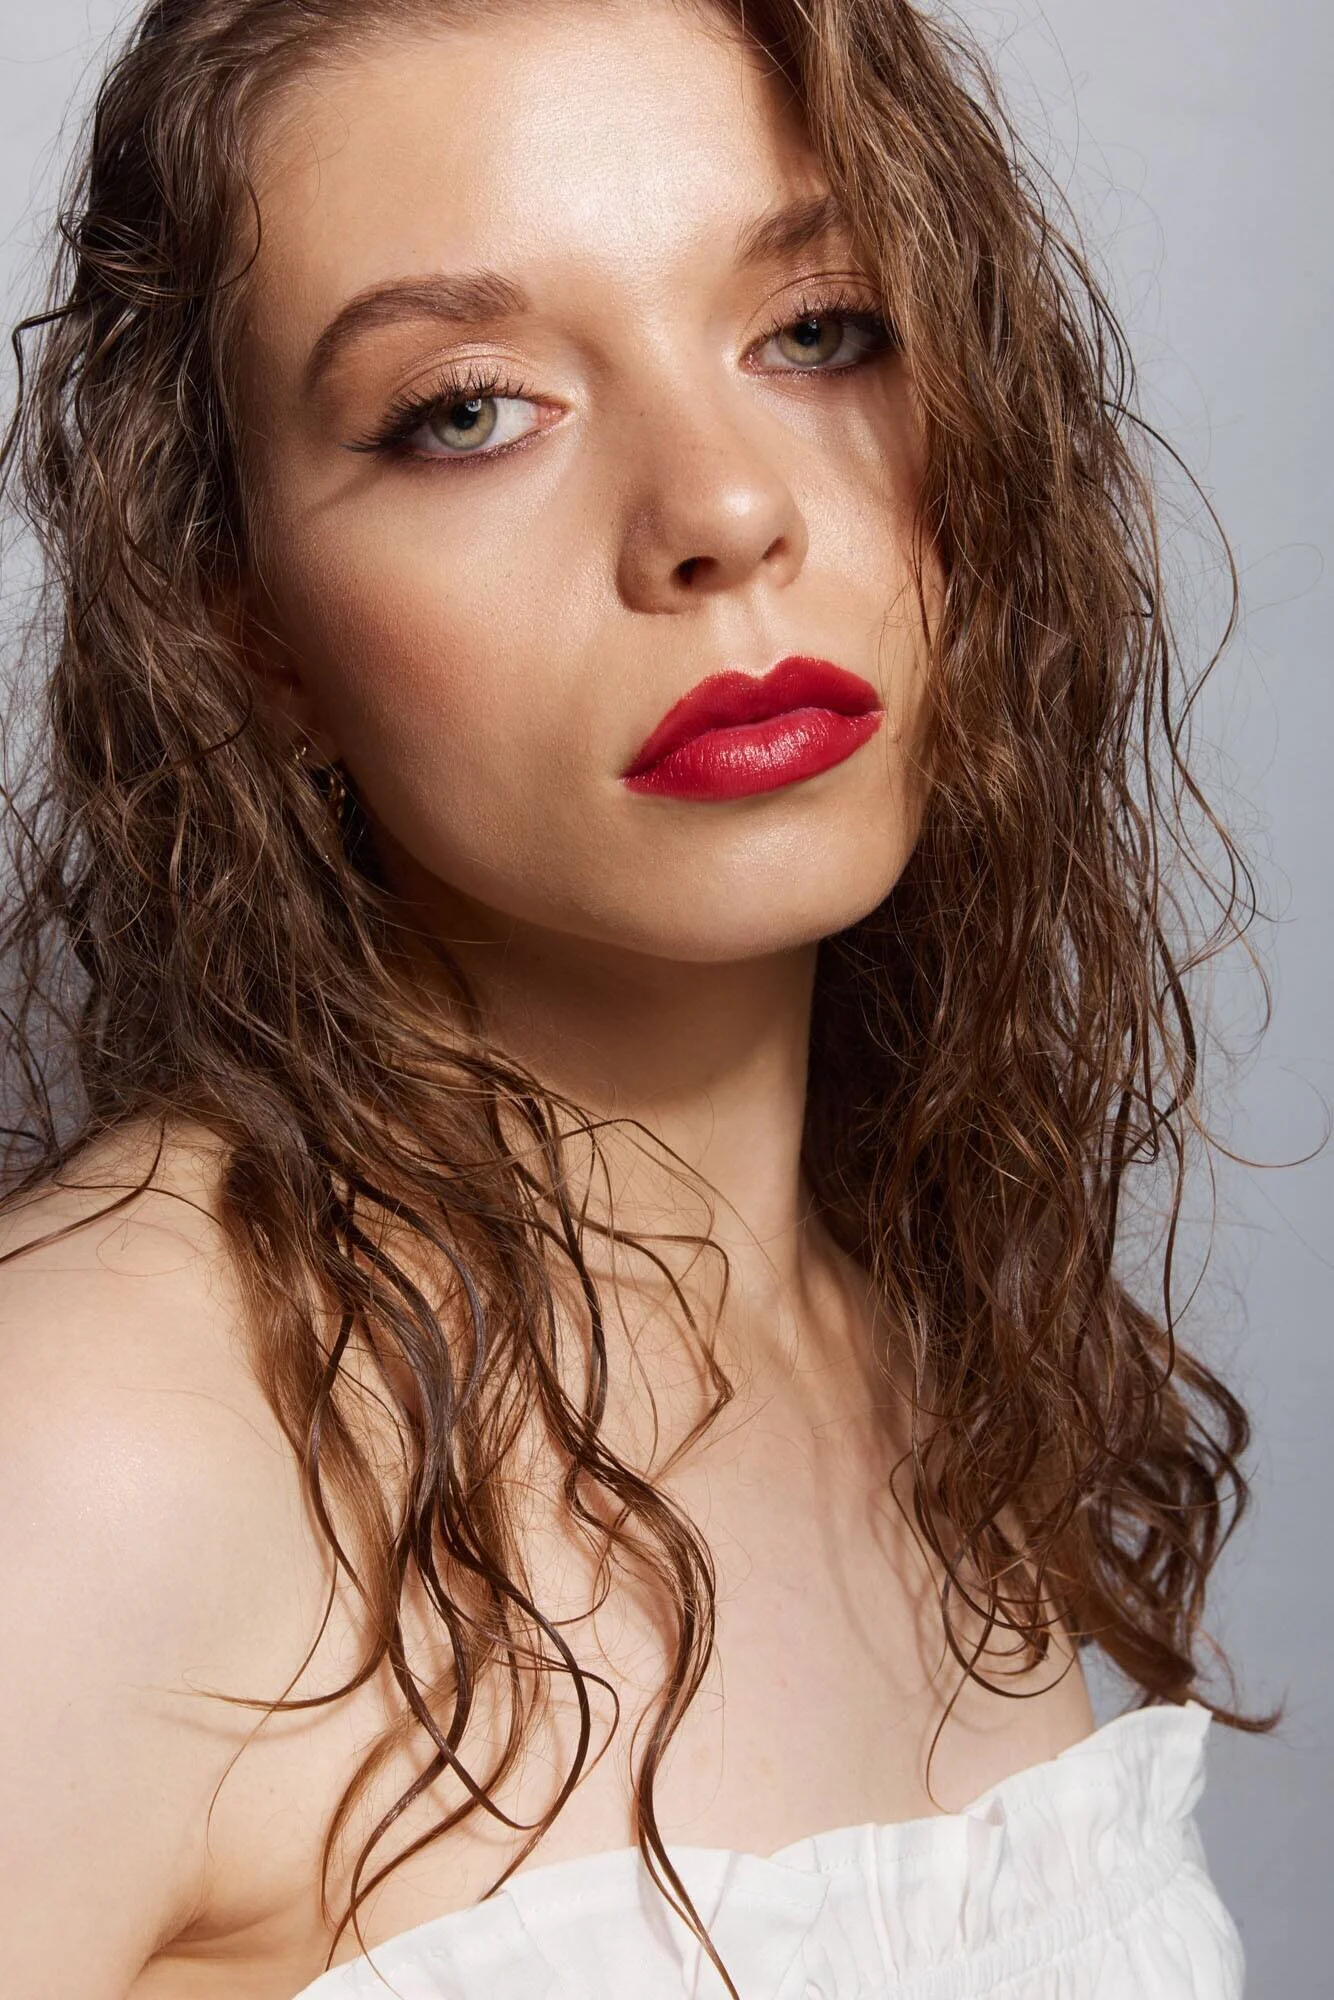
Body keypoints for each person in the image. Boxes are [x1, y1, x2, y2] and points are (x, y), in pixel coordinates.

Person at [0, 0, 1267, 1994]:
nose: (720, 511)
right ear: (244, 626)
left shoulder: (911, 1321)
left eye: (816, 328)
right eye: (470, 408)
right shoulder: (99, 1443)